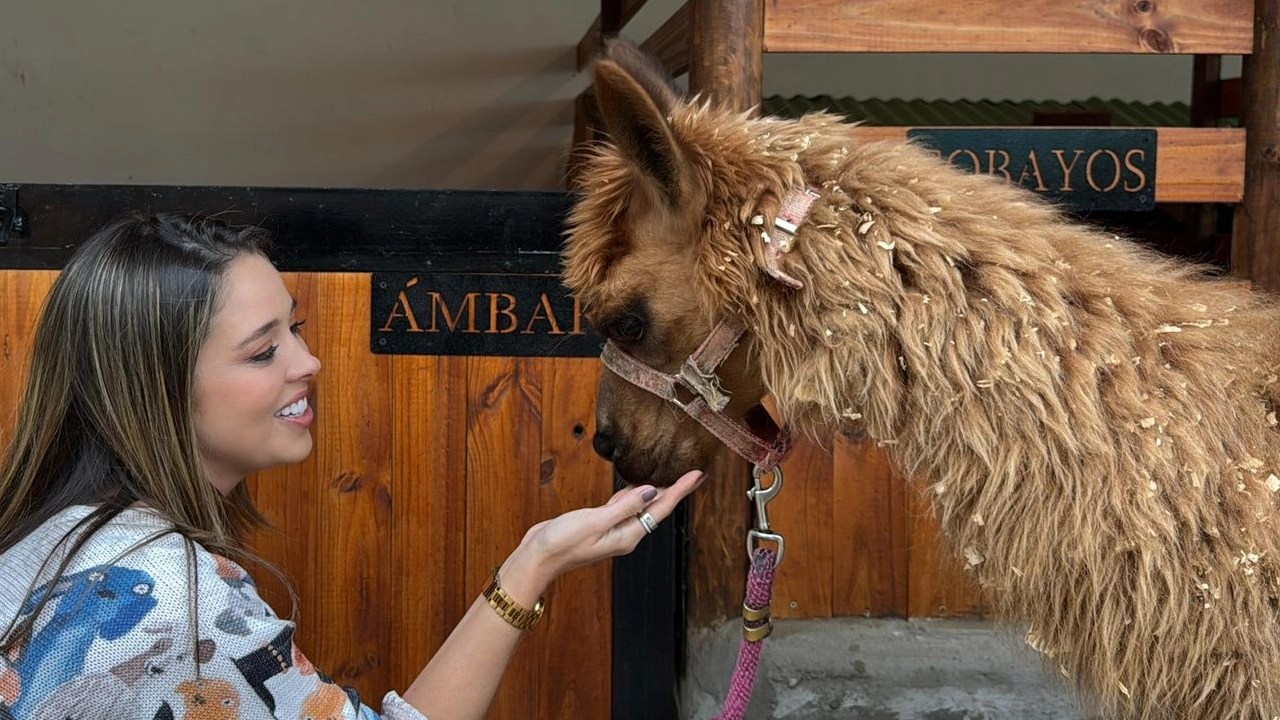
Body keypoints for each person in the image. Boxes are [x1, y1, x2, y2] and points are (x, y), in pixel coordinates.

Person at [0, 213, 704, 720]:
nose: (308, 363)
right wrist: (534, 565)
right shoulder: (176, 606)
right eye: (260, 351)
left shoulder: (46, 544)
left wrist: (534, 558)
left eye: (295, 328)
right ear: (154, 387)